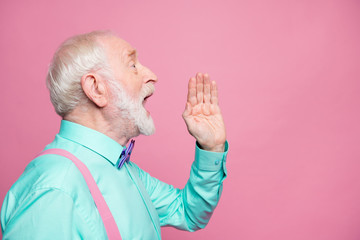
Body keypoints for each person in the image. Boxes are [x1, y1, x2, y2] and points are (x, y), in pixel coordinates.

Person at [1, 30, 228, 239]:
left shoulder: (121, 168)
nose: (152, 75)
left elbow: (187, 213)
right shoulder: (55, 190)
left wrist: (211, 148)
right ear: (97, 89)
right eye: (132, 65)